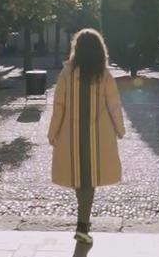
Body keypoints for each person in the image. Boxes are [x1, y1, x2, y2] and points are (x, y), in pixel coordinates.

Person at [48, 28, 126, 244]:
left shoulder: (66, 74)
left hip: (71, 136)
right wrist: (120, 129)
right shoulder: (104, 75)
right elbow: (114, 106)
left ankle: (83, 223)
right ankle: (83, 225)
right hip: (97, 138)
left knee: (81, 179)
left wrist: (53, 132)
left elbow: (59, 107)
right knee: (87, 180)